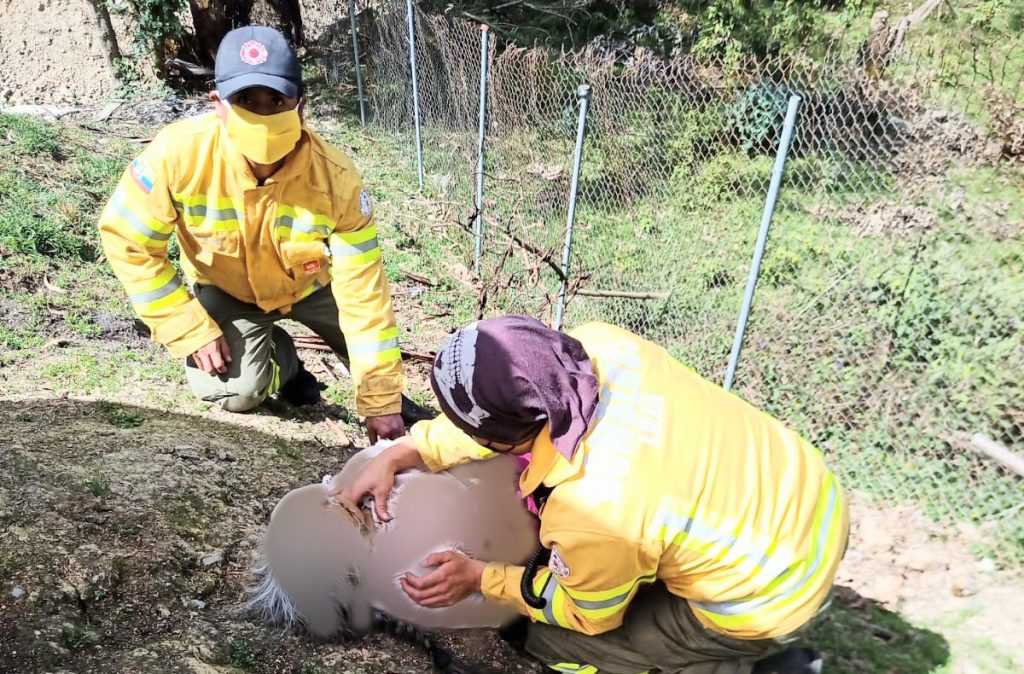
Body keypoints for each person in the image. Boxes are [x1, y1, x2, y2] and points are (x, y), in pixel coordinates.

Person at [337, 316, 849, 674]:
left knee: (553, 640)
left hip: (776, 588)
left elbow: (587, 611)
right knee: (627, 557)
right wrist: (408, 450)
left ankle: (751, 665)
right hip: (807, 491)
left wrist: (484, 577)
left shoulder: (595, 510)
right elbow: (505, 420)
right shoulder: (598, 346)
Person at [97, 25, 427, 441]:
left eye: (276, 101)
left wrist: (381, 403)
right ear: (217, 104)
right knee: (233, 391)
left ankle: (387, 399)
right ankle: (284, 364)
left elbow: (363, 292)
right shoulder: (176, 156)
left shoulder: (337, 178)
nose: (263, 115)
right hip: (229, 290)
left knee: (371, 354)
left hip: (312, 286)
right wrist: (192, 329)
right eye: (245, 102)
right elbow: (128, 242)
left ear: (300, 105)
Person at [248, 441, 537, 636]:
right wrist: (482, 576)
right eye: (322, 515)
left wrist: (394, 457)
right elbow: (505, 606)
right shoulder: (411, 583)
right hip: (541, 543)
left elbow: (435, 441)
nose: (331, 496)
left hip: (522, 460)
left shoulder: (353, 480)